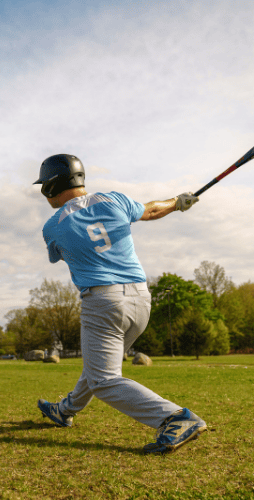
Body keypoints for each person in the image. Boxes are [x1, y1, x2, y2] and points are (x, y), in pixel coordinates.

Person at [33, 154, 207, 454]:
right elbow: (152, 210)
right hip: (141, 300)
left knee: (104, 379)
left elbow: (59, 253)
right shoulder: (115, 200)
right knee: (98, 363)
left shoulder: (52, 226)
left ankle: (175, 417)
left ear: (52, 186)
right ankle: (66, 410)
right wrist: (177, 202)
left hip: (103, 302)